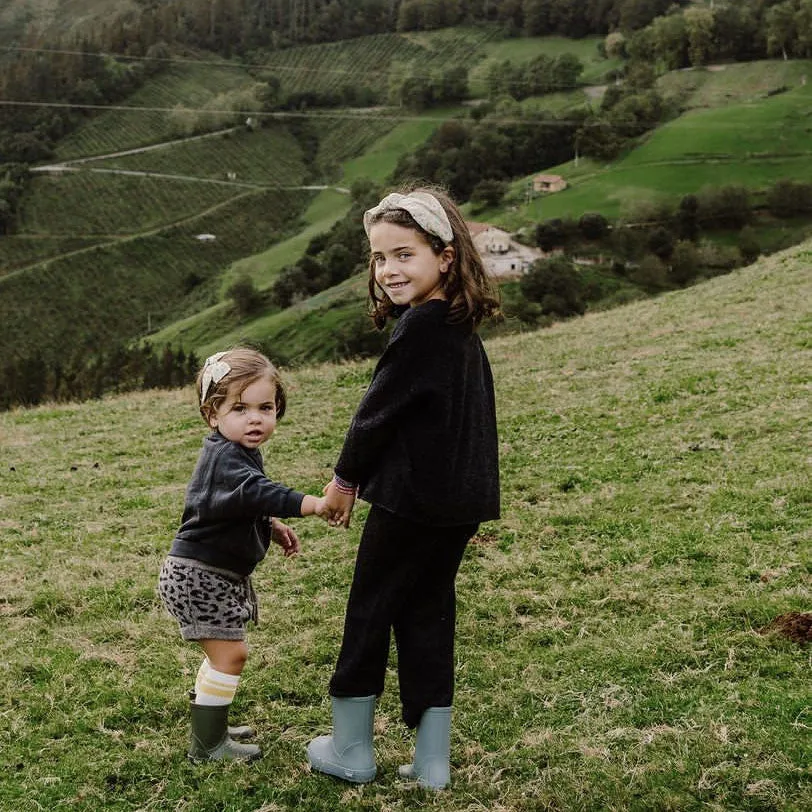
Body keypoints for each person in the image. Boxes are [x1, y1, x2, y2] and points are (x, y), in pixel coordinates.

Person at [307, 187, 501, 789]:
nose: (388, 270)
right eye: (378, 258)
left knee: (369, 611)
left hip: (409, 502)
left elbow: (375, 413)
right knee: (428, 615)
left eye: (403, 255)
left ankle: (351, 748)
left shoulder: (420, 327)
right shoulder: (458, 327)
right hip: (455, 504)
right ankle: (431, 761)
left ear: (445, 257)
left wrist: (342, 483)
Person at [158, 346, 328, 763]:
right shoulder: (227, 458)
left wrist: (269, 524)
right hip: (200, 576)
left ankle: (211, 725)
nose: (255, 418)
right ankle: (208, 745)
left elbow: (228, 506)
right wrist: (312, 504)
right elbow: (254, 492)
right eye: (240, 408)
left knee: (222, 655)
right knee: (231, 655)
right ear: (212, 415)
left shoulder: (233, 452)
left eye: (265, 407)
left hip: (205, 572)